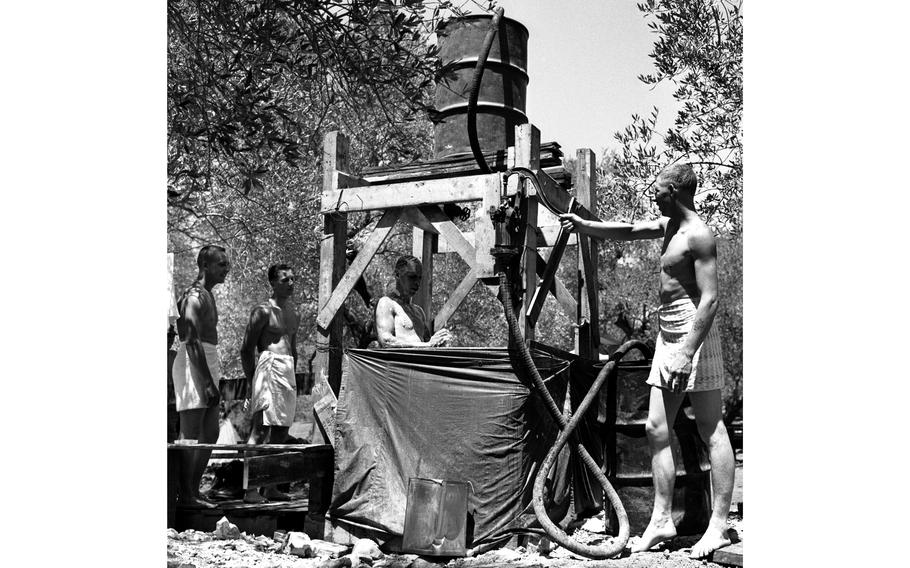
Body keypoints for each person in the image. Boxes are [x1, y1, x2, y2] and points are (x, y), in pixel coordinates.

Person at [558, 163, 734, 559]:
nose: (652, 193)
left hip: (694, 334)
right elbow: (630, 229)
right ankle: (661, 519)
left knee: (711, 427)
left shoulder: (698, 235)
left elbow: (710, 299)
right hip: (667, 332)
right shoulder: (669, 225)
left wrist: (688, 352)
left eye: (658, 188)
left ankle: (719, 526)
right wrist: (585, 227)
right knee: (656, 427)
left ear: (676, 190)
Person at [172, 245, 231, 508]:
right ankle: (184, 495)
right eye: (221, 264)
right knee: (191, 431)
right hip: (192, 361)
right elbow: (192, 340)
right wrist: (206, 382)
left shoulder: (208, 295)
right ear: (205, 265)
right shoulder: (194, 297)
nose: (226, 269)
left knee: (211, 430)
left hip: (208, 357)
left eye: (226, 264)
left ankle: (194, 491)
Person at [240, 263, 300, 503]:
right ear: (273, 283)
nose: (291, 283)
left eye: (293, 279)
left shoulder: (295, 312)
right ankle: (249, 490)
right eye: (285, 280)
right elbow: (246, 348)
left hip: (287, 368)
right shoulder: (262, 311)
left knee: (281, 431)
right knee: (259, 429)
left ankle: (270, 487)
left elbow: (293, 346)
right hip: (268, 365)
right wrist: (251, 379)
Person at [375, 255, 452, 347]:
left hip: (419, 361)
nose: (417, 283)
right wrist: (427, 345)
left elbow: (429, 343)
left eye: (419, 278)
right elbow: (386, 341)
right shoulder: (386, 304)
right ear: (397, 275)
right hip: (398, 361)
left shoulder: (419, 312)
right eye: (411, 277)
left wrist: (439, 341)